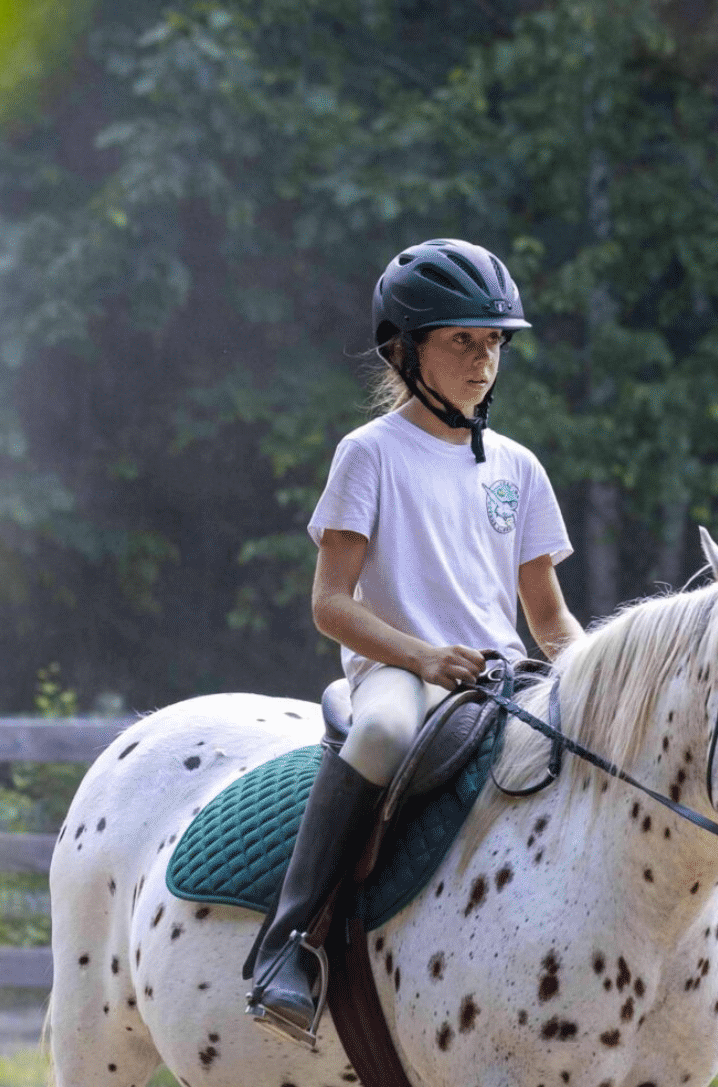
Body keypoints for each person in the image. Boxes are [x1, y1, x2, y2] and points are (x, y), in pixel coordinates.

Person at [246, 237, 585, 1043]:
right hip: (400, 670)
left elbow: (548, 619)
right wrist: (424, 656)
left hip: (499, 674)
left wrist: (592, 676)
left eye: (494, 341)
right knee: (388, 730)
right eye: (461, 340)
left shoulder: (519, 468)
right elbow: (331, 605)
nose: (483, 361)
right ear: (406, 350)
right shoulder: (368, 456)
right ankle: (288, 946)